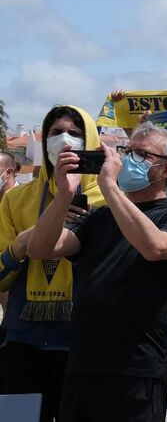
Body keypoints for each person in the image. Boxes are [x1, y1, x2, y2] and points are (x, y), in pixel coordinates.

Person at [27, 122, 167, 421]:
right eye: (126, 151)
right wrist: (64, 194)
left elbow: (155, 247)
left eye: (141, 154)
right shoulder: (101, 216)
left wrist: (109, 187)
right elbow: (40, 249)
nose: (127, 160)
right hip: (82, 365)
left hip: (135, 370)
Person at [0, 105, 105, 422]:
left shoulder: (110, 199)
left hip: (86, 345)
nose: (65, 140)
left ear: (90, 141)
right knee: (17, 419)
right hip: (22, 341)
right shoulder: (16, 200)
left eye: (74, 133)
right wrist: (23, 243)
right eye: (55, 132)